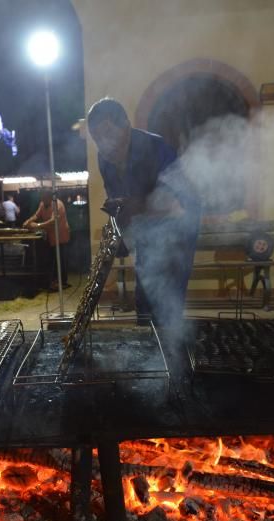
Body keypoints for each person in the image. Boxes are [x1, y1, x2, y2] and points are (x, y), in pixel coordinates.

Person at [87, 97, 200, 342]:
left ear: (126, 125)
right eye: (96, 138)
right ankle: (147, 355)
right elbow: (117, 201)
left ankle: (172, 353)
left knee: (166, 301)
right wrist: (121, 234)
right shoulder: (103, 160)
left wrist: (137, 205)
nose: (103, 145)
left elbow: (179, 205)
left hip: (178, 233)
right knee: (144, 297)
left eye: (108, 134)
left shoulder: (156, 149)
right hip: (147, 232)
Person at [23, 190, 71, 289]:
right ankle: (54, 280)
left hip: (60, 235)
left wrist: (37, 225)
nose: (42, 200)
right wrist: (28, 221)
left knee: (60, 259)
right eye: (42, 198)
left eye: (44, 198)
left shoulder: (58, 205)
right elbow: (37, 215)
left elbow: (53, 221)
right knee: (53, 259)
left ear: (50, 197)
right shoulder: (43, 203)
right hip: (51, 235)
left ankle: (63, 282)